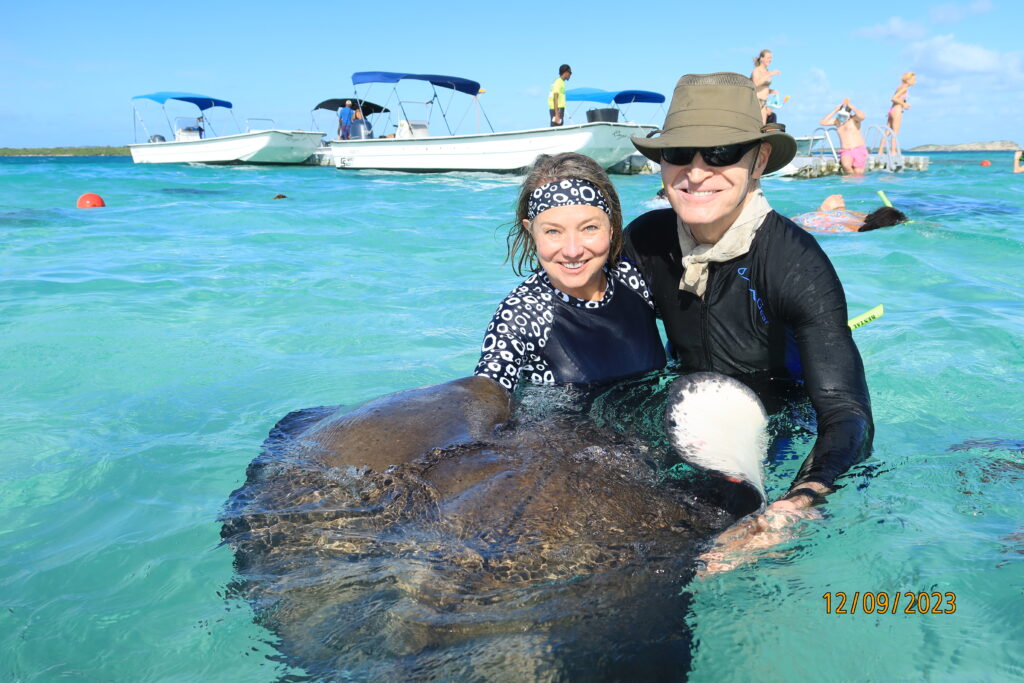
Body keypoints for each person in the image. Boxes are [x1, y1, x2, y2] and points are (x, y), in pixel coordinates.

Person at [626, 72, 874, 568]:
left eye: (719, 153)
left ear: (758, 161)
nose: (696, 173)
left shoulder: (795, 263)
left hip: (782, 425)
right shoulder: (646, 241)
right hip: (688, 409)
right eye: (679, 153)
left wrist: (797, 502)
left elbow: (848, 414)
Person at [474, 152, 665, 393]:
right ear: (531, 232)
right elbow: (482, 405)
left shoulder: (634, 279)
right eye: (553, 231)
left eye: (589, 228)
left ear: (612, 228)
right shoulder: (521, 315)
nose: (572, 251)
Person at [792, 194, 908, 233]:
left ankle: (827, 210)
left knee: (841, 212)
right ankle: (823, 210)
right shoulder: (854, 229)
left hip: (829, 216)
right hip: (807, 222)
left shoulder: (862, 218)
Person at [821, 98, 868, 176]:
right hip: (845, 150)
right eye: (840, 115)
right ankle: (852, 179)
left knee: (859, 174)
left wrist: (853, 108)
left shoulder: (854, 119)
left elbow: (862, 116)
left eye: (844, 115)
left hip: (858, 149)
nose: (842, 117)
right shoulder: (837, 121)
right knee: (846, 166)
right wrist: (834, 111)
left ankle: (855, 183)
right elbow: (823, 122)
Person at [879, 72, 916, 157]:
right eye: (913, 79)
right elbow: (893, 98)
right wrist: (904, 104)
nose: (915, 81)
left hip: (892, 110)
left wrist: (904, 102)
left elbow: (898, 98)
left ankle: (880, 151)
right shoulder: (905, 88)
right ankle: (893, 152)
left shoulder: (900, 87)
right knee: (895, 133)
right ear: (908, 80)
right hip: (897, 110)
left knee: (887, 132)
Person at [749, 49, 780, 124]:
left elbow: (763, 88)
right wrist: (770, 74)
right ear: (761, 58)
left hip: (765, 102)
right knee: (761, 126)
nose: (770, 60)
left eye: (771, 58)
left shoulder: (767, 71)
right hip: (757, 102)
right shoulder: (756, 70)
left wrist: (771, 91)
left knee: (765, 125)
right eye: (768, 58)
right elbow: (756, 84)